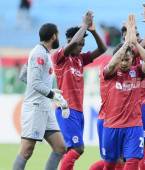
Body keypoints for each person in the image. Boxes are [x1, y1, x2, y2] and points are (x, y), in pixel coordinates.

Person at [89, 4, 145, 170]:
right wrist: (128, 44)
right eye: (132, 35)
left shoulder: (138, 57)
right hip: (111, 117)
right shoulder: (111, 67)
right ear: (123, 40)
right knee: (112, 162)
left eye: (137, 35)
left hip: (139, 111)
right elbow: (113, 63)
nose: (135, 37)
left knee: (140, 156)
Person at [51, 11, 107, 170]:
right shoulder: (59, 57)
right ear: (70, 41)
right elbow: (71, 45)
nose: (82, 47)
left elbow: (102, 49)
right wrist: (84, 25)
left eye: (83, 44)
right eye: (79, 43)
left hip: (78, 110)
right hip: (66, 109)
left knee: (71, 150)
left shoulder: (80, 60)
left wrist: (93, 30)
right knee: (77, 148)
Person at [100, 14, 145, 170]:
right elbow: (111, 65)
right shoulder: (109, 74)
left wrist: (135, 43)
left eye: (127, 59)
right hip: (112, 126)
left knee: (132, 162)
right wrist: (125, 45)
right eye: (121, 59)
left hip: (133, 126)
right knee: (110, 164)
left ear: (132, 60)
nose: (124, 63)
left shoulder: (136, 72)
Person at [13, 23, 67, 170]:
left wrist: (50, 90)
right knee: (26, 151)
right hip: (35, 108)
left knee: (60, 147)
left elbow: (24, 75)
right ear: (54, 36)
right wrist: (52, 94)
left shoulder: (44, 53)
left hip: (45, 107)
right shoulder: (39, 53)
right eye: (58, 35)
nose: (58, 38)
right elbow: (34, 82)